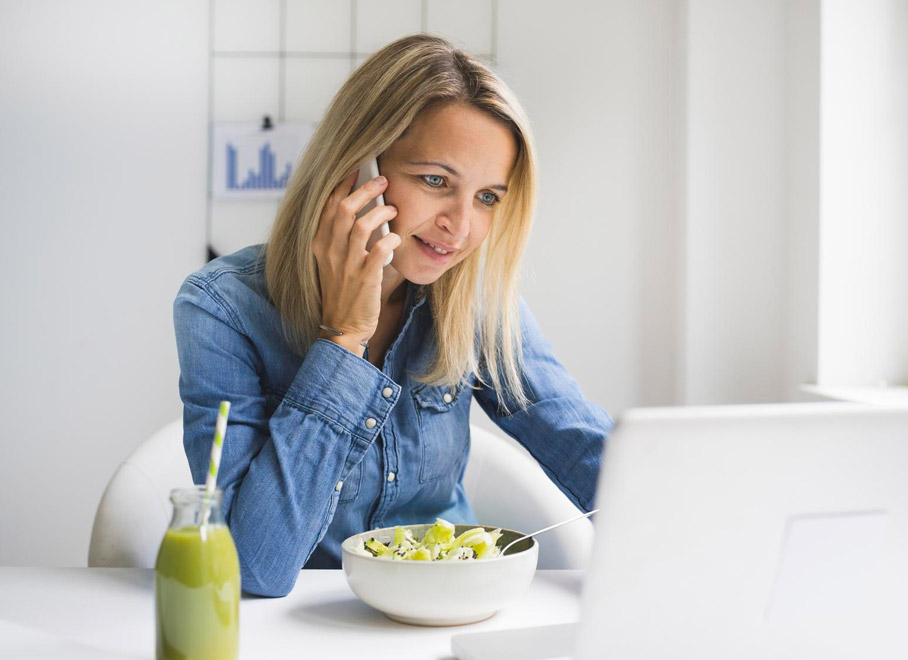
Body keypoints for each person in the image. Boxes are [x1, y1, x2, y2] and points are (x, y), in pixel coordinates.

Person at [173, 34, 612, 598]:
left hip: (442, 613)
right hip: (295, 628)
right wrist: (343, 341)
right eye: (436, 181)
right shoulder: (220, 309)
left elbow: (577, 442)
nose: (462, 226)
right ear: (354, 168)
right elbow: (253, 570)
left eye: (487, 198)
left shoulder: (470, 299)